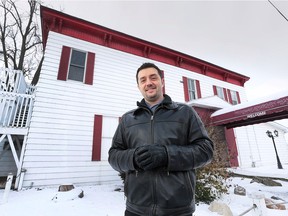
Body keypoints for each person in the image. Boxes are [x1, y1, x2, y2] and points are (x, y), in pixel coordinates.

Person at [108, 62, 214, 216]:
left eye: (153, 77)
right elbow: (113, 156)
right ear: (138, 86)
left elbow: (206, 151)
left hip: (177, 209)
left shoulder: (185, 112)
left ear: (162, 82)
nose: (148, 83)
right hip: (136, 209)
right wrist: (133, 158)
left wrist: (167, 155)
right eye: (143, 80)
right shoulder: (128, 119)